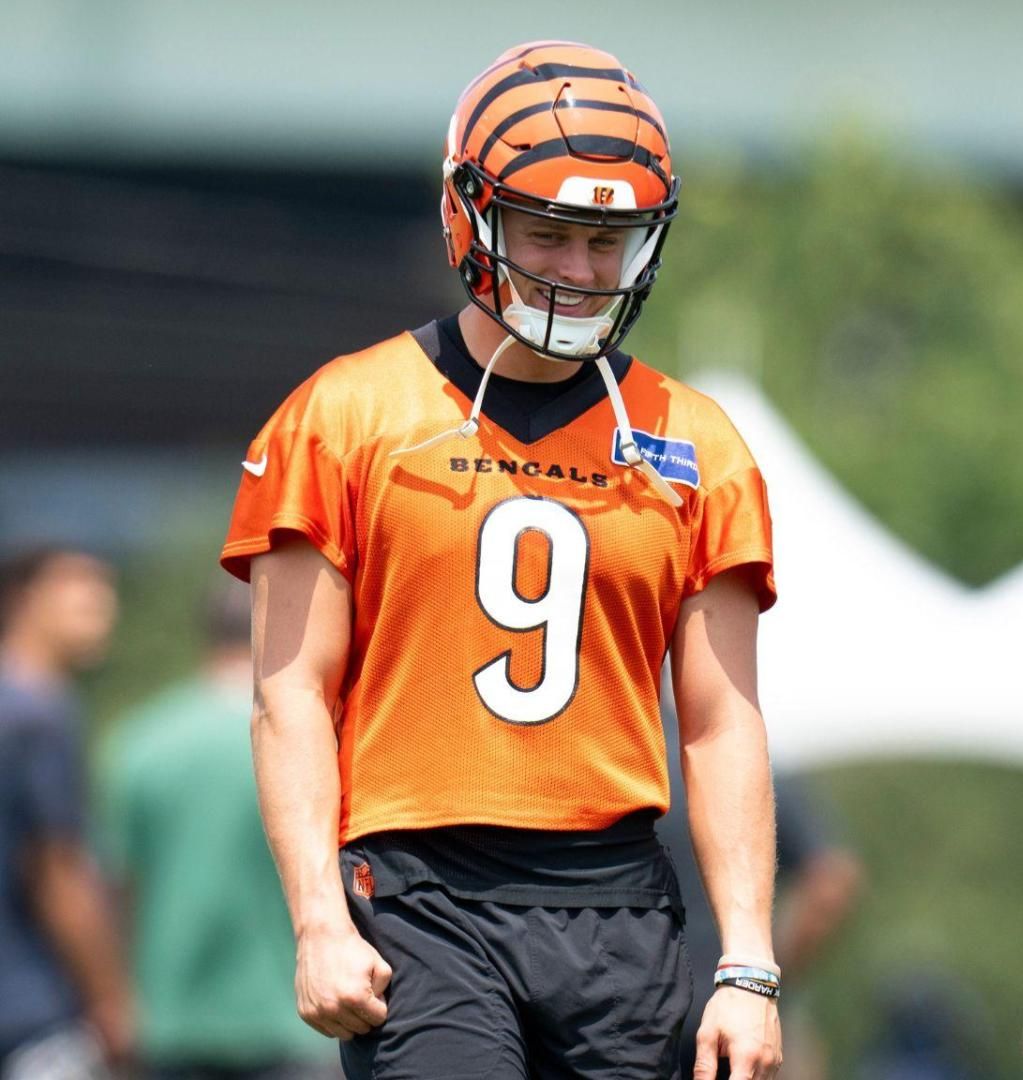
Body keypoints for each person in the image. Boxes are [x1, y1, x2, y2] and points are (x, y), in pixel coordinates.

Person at [220, 41, 782, 1080]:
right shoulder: (346, 413)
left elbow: (721, 718)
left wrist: (748, 963)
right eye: (550, 233)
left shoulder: (699, 442)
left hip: (618, 898)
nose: (579, 270)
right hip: (421, 890)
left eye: (608, 241)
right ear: (469, 216)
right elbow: (290, 688)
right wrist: (315, 920)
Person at [97, 577, 337, 1080]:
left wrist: (118, 1003)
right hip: (299, 1024)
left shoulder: (140, 741)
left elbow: (118, 892)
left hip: (171, 1027)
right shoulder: (317, 748)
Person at [657, 707, 863, 1080]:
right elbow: (832, 880)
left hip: (629, 1015)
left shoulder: (616, 765)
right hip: (737, 1013)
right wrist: (768, 972)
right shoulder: (743, 760)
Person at [0, 547, 132, 1079]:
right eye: (80, 586)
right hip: (34, 1011)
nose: (104, 605)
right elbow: (59, 871)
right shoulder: (39, 711)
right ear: (25, 597)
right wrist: (112, 1000)